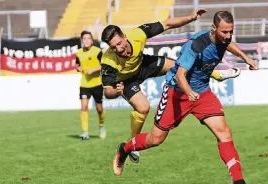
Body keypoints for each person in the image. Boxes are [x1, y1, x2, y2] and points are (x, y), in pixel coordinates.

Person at [112, 11, 261, 184]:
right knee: (155, 139)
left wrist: (245, 58)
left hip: (202, 92)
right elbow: (180, 75)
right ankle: (124, 149)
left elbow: (228, 44)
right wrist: (189, 92)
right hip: (177, 93)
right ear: (214, 28)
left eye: (231, 31)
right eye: (224, 32)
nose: (228, 36)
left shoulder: (223, 39)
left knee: (224, 132)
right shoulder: (196, 45)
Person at [100, 8, 240, 163]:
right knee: (143, 108)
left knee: (178, 67)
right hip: (125, 80)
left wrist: (191, 17)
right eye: (113, 47)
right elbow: (107, 92)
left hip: (143, 65)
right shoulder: (108, 61)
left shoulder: (137, 35)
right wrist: (116, 91)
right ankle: (133, 142)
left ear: (125, 37)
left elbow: (166, 24)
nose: (118, 49)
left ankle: (217, 74)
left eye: (119, 43)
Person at [76, 30, 106, 140]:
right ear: (82, 40)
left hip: (97, 84)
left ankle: (102, 126)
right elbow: (77, 65)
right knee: (84, 107)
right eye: (84, 38)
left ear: (92, 40)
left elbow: (104, 65)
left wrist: (93, 70)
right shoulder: (78, 52)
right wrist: (78, 68)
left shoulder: (97, 51)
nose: (86, 40)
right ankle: (85, 132)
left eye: (88, 38)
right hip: (84, 85)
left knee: (99, 108)